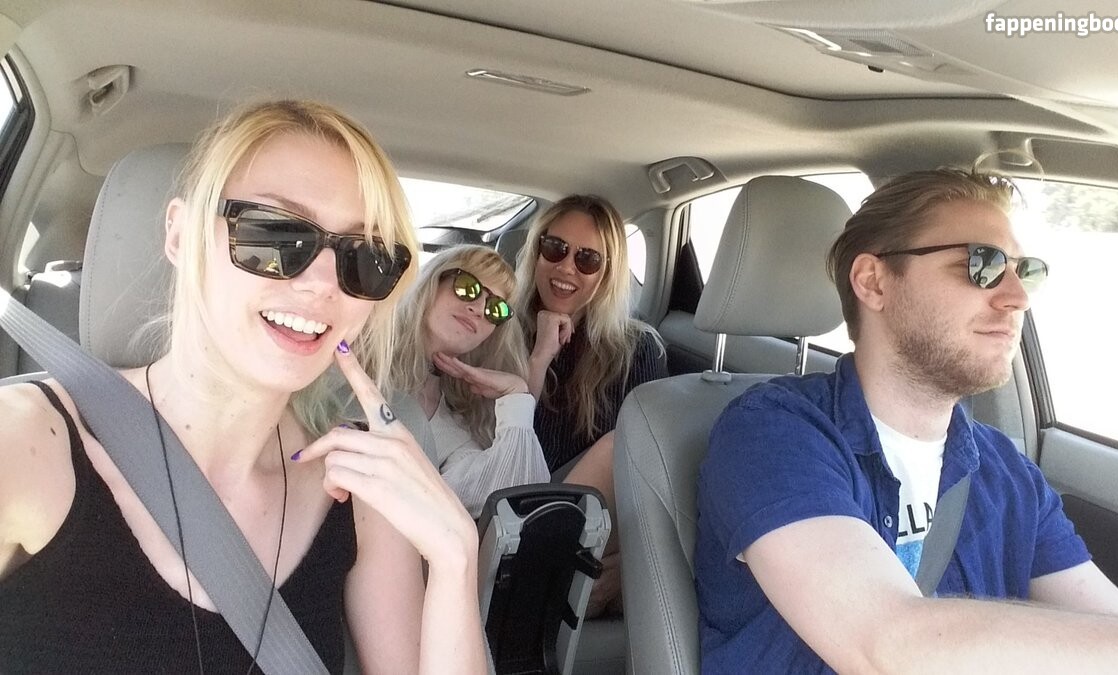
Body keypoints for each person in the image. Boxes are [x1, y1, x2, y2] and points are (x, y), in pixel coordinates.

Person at [0, 100, 484, 673]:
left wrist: (455, 559)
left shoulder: (361, 491)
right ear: (181, 235)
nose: (323, 284)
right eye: (275, 233)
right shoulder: (23, 441)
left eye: (365, 257)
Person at [694, 168, 1118, 673]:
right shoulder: (773, 433)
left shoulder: (1007, 473)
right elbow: (886, 645)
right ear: (873, 282)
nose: (1017, 297)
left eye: (1024, 271)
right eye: (981, 264)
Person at [512, 194, 666, 614]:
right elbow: (500, 448)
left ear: (607, 273)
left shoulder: (636, 349)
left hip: (596, 532)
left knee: (628, 445)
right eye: (555, 248)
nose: (566, 267)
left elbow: (649, 472)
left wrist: (627, 563)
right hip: (510, 507)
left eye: (587, 259)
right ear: (536, 251)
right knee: (619, 446)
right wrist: (538, 359)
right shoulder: (500, 329)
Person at [385, 244, 549, 518]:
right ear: (434, 282)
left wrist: (517, 396)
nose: (479, 308)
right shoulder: (361, 354)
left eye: (496, 308)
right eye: (468, 288)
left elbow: (516, 497)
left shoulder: (456, 425)